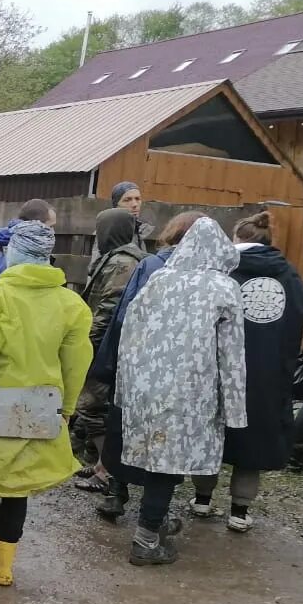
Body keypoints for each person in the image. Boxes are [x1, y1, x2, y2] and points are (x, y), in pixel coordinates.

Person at [0, 221, 91, 590]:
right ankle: (5, 567)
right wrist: (68, 407)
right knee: (17, 486)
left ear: (15, 251)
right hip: (44, 407)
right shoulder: (71, 304)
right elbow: (75, 363)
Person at [116, 218, 247, 566]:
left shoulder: (158, 278)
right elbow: (232, 355)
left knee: (154, 456)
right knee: (169, 465)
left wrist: (124, 390)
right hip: (192, 390)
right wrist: (235, 410)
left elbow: (128, 335)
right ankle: (145, 540)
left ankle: (154, 522)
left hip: (145, 384)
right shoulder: (224, 288)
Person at [190, 212, 303, 532]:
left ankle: (202, 499)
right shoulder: (291, 278)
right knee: (252, 443)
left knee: (212, 435)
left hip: (218, 370)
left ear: (236, 239)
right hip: (267, 376)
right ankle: (239, 512)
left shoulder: (222, 270)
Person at [90, 212, 206, 519]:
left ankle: (116, 493)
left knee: (124, 426)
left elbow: (124, 316)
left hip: (136, 364)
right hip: (180, 372)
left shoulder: (151, 265)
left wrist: (110, 360)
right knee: (167, 438)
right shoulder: (208, 276)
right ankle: (156, 513)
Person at [72, 209, 145, 488]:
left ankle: (107, 472)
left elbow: (108, 305)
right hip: (111, 344)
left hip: (106, 346)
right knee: (98, 407)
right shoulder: (121, 258)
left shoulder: (122, 263)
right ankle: (103, 465)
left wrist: (88, 342)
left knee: (92, 406)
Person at [0, 198, 58, 288]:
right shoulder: (18, 259)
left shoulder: (3, 254)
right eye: (50, 226)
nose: (53, 232)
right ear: (35, 226)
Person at [109, 181, 154, 249]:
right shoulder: (108, 233)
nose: (135, 204)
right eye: (127, 200)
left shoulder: (138, 231)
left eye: (137, 199)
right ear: (116, 205)